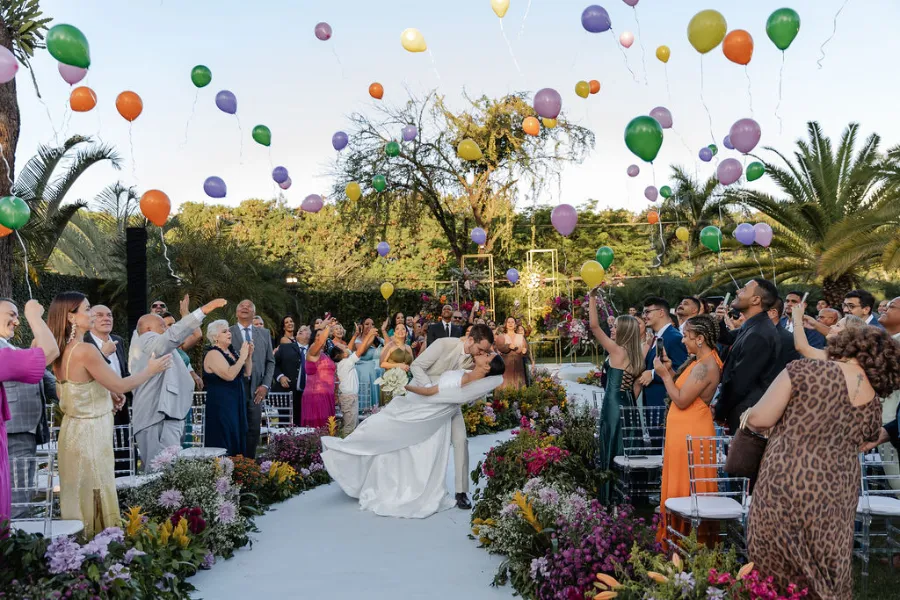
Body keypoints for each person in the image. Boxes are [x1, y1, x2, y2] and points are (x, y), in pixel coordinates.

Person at [747, 327, 900, 599]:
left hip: (789, 476)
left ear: (848, 344)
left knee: (776, 554)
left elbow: (760, 419)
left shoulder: (803, 370)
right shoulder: (872, 396)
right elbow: (868, 438)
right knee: (829, 553)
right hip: (839, 486)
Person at [322, 352, 504, 519]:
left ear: (487, 367)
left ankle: (350, 456)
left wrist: (403, 386)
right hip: (432, 409)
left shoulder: (464, 380)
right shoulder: (471, 376)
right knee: (400, 441)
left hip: (425, 407)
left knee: (381, 429)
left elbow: (429, 391)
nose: (483, 352)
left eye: (487, 355)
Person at [48, 292, 171, 536]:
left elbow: (71, 395)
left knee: (79, 492)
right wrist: (150, 370)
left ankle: (78, 546)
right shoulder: (85, 350)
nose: (91, 313)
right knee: (97, 489)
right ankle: (102, 546)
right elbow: (121, 385)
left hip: (73, 432)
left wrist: (106, 398)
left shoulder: (61, 351)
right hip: (91, 435)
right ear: (71, 317)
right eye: (87, 309)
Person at [131, 295, 224, 469]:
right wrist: (203, 311)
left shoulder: (159, 343)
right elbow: (167, 341)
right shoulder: (146, 339)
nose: (167, 330)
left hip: (168, 415)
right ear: (148, 328)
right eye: (162, 326)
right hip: (157, 417)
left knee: (168, 469)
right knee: (158, 470)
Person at [653, 315, 722, 545]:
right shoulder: (696, 362)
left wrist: (663, 376)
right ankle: (676, 536)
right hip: (682, 431)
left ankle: (688, 540)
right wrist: (671, 371)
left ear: (700, 339)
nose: (683, 341)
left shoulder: (706, 366)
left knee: (688, 483)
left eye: (686, 336)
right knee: (679, 481)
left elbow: (681, 400)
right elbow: (683, 389)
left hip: (692, 433)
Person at [409, 324, 495, 510]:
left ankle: (461, 492)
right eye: (481, 349)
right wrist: (429, 390)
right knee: (417, 442)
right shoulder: (443, 344)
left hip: (450, 404)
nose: (481, 354)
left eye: (485, 351)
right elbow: (416, 366)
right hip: (423, 398)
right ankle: (415, 485)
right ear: (471, 340)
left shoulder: (474, 359)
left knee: (461, 440)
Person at [0, 299, 59, 525]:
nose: (17, 321)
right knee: (16, 500)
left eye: (18, 316)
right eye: (11, 314)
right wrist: (33, 316)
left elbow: (50, 382)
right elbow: (50, 351)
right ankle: (14, 552)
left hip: (24, 433)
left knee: (20, 494)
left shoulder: (12, 350)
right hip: (12, 432)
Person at [588, 293, 644, 504]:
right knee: (626, 446)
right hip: (629, 404)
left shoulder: (617, 351)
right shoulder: (637, 354)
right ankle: (626, 496)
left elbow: (594, 326)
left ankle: (610, 497)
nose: (612, 329)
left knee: (611, 445)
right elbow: (636, 387)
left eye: (616, 326)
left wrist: (592, 298)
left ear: (624, 331)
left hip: (613, 405)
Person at [714, 279, 781, 434]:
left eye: (743, 289)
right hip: (742, 410)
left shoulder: (759, 333)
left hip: (746, 414)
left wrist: (719, 410)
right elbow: (729, 339)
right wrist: (719, 322)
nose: (738, 291)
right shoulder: (753, 326)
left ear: (756, 300)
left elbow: (739, 382)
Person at [84, 305, 133, 465]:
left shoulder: (119, 341)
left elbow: (123, 372)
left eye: (109, 315)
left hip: (121, 406)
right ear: (90, 320)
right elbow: (85, 374)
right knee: (101, 459)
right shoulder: (84, 343)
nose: (106, 318)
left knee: (123, 456)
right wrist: (102, 353)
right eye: (100, 315)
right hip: (96, 407)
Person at [230, 299, 275, 458]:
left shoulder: (264, 333)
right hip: (234, 388)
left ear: (254, 313)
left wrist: (265, 385)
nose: (245, 308)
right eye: (241, 305)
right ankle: (233, 463)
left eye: (249, 306)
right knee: (235, 428)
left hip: (257, 390)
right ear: (236, 312)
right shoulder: (228, 333)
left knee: (254, 429)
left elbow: (270, 361)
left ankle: (249, 466)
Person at [202, 320, 251, 456]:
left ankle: (238, 469)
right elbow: (229, 375)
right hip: (222, 403)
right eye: (224, 331)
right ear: (215, 336)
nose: (229, 333)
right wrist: (242, 357)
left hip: (235, 400)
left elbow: (247, 372)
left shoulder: (230, 352)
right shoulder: (213, 354)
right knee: (225, 433)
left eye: (229, 331)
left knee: (236, 432)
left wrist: (248, 356)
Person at [639, 297, 689, 411]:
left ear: (661, 312)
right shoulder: (656, 337)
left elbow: (681, 371)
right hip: (652, 404)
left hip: (664, 404)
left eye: (647, 312)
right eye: (643, 312)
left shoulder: (674, 337)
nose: (644, 316)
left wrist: (652, 374)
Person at [334, 324, 379, 435]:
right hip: (348, 398)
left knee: (353, 424)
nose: (347, 349)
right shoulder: (346, 363)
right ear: (342, 354)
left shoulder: (344, 361)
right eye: (344, 349)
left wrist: (355, 335)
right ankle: (344, 446)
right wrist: (369, 335)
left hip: (350, 396)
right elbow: (360, 350)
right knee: (349, 426)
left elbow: (349, 349)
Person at [791, 304, 867, 361]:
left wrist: (797, 318)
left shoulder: (842, 356)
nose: (832, 326)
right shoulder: (845, 353)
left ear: (848, 333)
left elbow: (803, 348)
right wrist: (815, 324)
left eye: (837, 325)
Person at [300, 319, 338, 428]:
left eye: (323, 336)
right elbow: (320, 341)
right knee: (318, 429)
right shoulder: (312, 350)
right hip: (316, 396)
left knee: (328, 428)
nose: (321, 338)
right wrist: (327, 327)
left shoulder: (325, 354)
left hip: (328, 395)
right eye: (318, 335)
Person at [274, 320, 307, 426]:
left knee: (304, 426)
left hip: (307, 394)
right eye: (300, 330)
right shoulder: (285, 347)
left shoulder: (314, 350)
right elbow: (272, 364)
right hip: (287, 392)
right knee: (284, 427)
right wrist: (280, 376)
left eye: (305, 330)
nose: (301, 331)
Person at [161, 312, 203, 391]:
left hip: (183, 388)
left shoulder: (178, 344)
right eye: (170, 324)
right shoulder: (159, 347)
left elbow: (197, 335)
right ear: (161, 328)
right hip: (168, 390)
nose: (174, 327)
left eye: (174, 324)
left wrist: (186, 312)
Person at [379, 323, 414, 405]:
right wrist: (399, 365)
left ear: (406, 333)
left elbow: (412, 365)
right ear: (394, 333)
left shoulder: (408, 348)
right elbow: (382, 364)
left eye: (403, 329)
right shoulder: (389, 346)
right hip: (391, 381)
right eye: (397, 329)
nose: (400, 331)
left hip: (405, 381)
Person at [353, 318, 382, 412]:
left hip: (378, 374)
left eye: (372, 324)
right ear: (361, 326)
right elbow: (362, 351)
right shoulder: (358, 340)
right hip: (365, 375)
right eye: (367, 324)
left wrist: (382, 333)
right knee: (366, 400)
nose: (370, 326)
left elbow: (389, 345)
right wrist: (371, 337)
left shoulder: (377, 339)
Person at [767, 297, 801, 371]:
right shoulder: (782, 323)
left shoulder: (787, 338)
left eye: (793, 301)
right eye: (787, 301)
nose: (789, 304)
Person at [495, 317, 527, 390]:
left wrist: (524, 351)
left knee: (519, 386)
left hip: (518, 366)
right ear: (505, 324)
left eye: (512, 322)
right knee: (505, 387)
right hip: (506, 366)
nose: (510, 324)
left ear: (515, 325)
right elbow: (499, 347)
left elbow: (525, 350)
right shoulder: (502, 336)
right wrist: (508, 346)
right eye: (508, 322)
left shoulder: (520, 337)